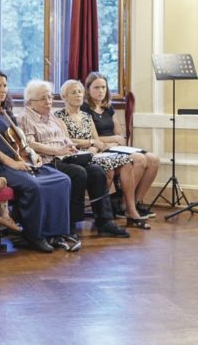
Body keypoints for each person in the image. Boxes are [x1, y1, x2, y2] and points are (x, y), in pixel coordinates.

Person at [0, 69, 71, 253]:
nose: (3, 90)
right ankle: (32, 236)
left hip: (20, 161)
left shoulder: (5, 113)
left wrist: (31, 154)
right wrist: (13, 163)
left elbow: (20, 142)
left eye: (5, 85)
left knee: (62, 179)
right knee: (34, 186)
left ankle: (54, 233)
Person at [18, 80, 128, 243]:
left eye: (50, 97)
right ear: (30, 102)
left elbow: (65, 139)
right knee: (78, 173)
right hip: (47, 161)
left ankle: (105, 222)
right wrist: (58, 151)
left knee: (96, 171)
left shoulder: (51, 117)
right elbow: (30, 145)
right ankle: (70, 224)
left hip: (65, 157)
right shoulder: (25, 117)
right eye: (43, 98)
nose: (48, 102)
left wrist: (72, 148)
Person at [55, 79, 147, 229]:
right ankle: (104, 212)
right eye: (73, 92)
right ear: (64, 96)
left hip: (93, 153)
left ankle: (130, 210)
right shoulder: (59, 116)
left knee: (126, 162)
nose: (78, 95)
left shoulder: (86, 116)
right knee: (107, 169)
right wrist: (91, 143)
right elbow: (68, 140)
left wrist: (95, 147)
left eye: (80, 92)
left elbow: (97, 140)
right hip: (75, 155)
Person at [83, 72, 159, 219]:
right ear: (88, 89)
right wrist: (113, 140)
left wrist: (116, 140)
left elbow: (120, 135)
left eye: (103, 87)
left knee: (154, 159)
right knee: (140, 159)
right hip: (100, 148)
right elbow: (93, 138)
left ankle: (136, 202)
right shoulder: (85, 109)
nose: (101, 91)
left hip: (115, 146)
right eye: (96, 87)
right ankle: (125, 206)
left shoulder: (108, 107)